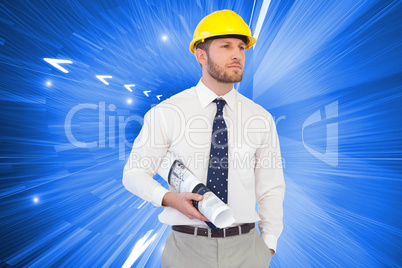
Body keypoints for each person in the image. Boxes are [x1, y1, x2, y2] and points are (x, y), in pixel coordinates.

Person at [123, 9, 285, 267]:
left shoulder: (260, 118)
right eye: (225, 46)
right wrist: (168, 198)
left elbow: (271, 187)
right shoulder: (167, 113)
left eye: (242, 47)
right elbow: (133, 173)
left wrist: (269, 244)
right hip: (185, 250)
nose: (237, 55)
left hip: (248, 249)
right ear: (201, 55)